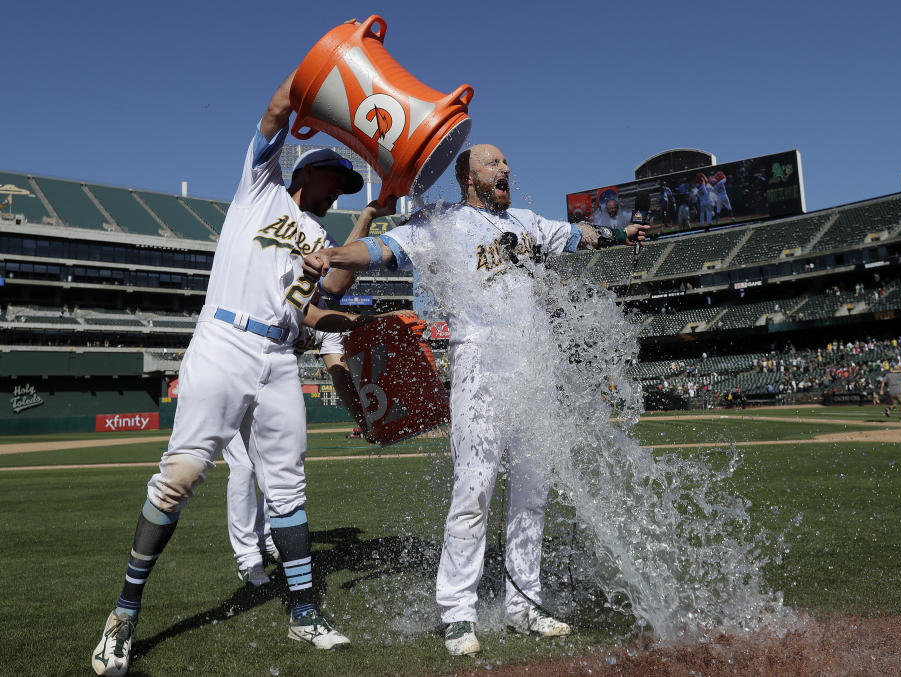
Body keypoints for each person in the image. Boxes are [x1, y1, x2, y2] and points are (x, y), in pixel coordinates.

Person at [91, 68, 398, 676]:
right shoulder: (261, 187)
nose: (338, 190)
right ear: (306, 172)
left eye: (344, 185)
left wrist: (358, 320)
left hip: (280, 355)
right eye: (334, 178)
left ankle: (305, 614)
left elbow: (310, 306)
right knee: (178, 478)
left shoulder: (317, 234)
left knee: (287, 490)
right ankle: (124, 614)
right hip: (225, 340)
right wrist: (317, 72)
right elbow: (278, 111)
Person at [301, 144, 648, 657]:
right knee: (473, 493)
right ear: (468, 177)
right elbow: (380, 249)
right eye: (493, 164)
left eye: (506, 163)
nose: (505, 169)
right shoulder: (443, 225)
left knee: (532, 495)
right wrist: (334, 255)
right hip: (481, 370)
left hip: (535, 370)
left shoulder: (528, 222)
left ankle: (524, 604)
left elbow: (580, 235)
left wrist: (622, 233)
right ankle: (458, 613)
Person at [226, 325, 369, 588]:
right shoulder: (280, 293)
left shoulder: (327, 320)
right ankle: (248, 558)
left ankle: (269, 538)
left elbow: (338, 374)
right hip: (234, 377)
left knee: (279, 470)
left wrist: (363, 418)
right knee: (243, 468)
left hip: (274, 391)